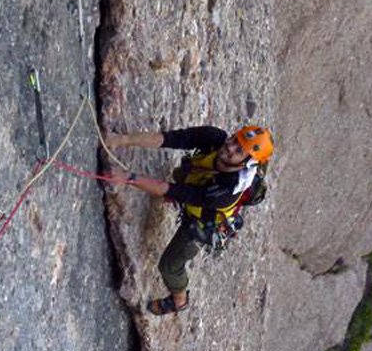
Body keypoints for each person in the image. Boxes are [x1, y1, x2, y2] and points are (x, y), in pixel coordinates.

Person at [104, 125, 274, 315]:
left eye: (239, 151)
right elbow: (170, 138)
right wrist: (122, 140)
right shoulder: (215, 138)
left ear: (246, 163)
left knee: (169, 266)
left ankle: (179, 301)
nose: (230, 147)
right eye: (235, 139)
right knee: (182, 173)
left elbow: (175, 191)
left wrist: (128, 178)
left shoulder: (227, 191)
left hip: (203, 223)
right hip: (199, 189)